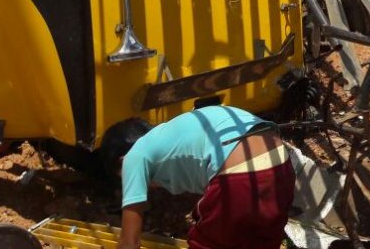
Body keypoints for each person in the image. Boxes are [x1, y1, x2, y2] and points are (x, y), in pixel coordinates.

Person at [102, 105, 295, 249]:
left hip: (240, 174)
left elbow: (130, 243)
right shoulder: (172, 136)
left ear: (120, 161)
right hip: (281, 164)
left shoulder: (134, 156)